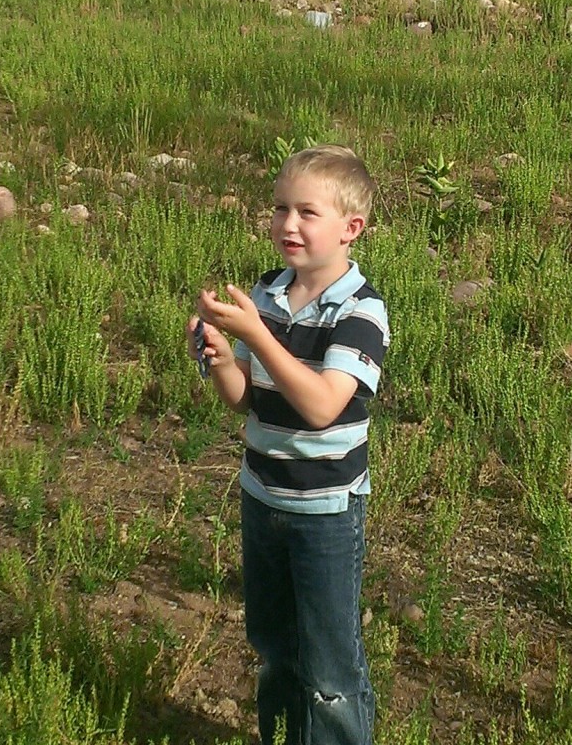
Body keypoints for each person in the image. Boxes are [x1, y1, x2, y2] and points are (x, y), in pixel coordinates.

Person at [186, 144, 389, 745]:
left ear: (352, 228)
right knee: (275, 650)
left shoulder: (361, 310)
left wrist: (254, 333)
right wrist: (224, 355)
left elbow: (324, 405)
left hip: (326, 511)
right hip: (263, 497)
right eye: (280, 209)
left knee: (329, 669)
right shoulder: (269, 293)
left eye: (307, 212)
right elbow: (244, 396)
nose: (287, 224)